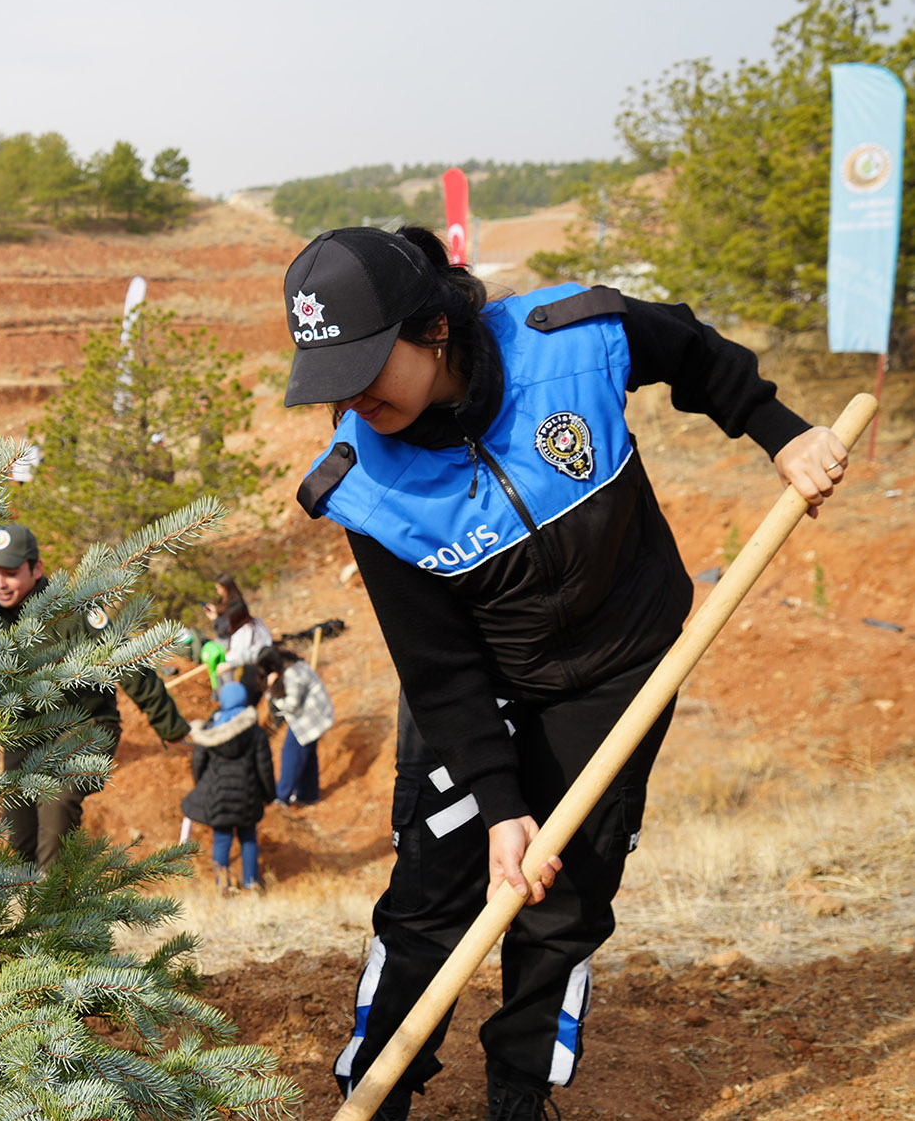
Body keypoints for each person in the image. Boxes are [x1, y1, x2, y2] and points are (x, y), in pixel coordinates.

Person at [281, 226, 848, 1121]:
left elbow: (694, 351)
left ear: (432, 327)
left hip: (621, 667)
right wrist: (503, 807)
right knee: (436, 896)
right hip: (477, 691)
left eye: (364, 363)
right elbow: (439, 667)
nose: (350, 396)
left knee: (567, 892)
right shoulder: (367, 486)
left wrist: (779, 432)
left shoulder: (573, 340)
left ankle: (518, 1089)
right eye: (330, 377)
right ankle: (377, 1086)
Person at [0, 523, 189, 869]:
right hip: (26, 734)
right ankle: (15, 908)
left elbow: (131, 664)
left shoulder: (75, 611)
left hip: (86, 726)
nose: (0, 583)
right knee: (20, 836)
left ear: (37, 569)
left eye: (11, 573)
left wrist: (172, 728)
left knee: (58, 796)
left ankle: (52, 905)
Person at [180, 677, 276, 895]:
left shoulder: (210, 729)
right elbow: (265, 767)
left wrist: (203, 786)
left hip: (217, 796)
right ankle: (252, 884)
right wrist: (269, 794)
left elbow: (198, 763)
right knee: (249, 837)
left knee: (222, 838)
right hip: (248, 796)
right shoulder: (255, 732)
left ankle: (222, 883)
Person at [256, 646, 334, 806]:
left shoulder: (292, 674)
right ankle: (308, 795)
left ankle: (282, 797)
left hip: (309, 719)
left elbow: (291, 705)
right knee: (308, 755)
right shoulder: (293, 664)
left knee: (291, 755)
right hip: (316, 716)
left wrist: (271, 691)